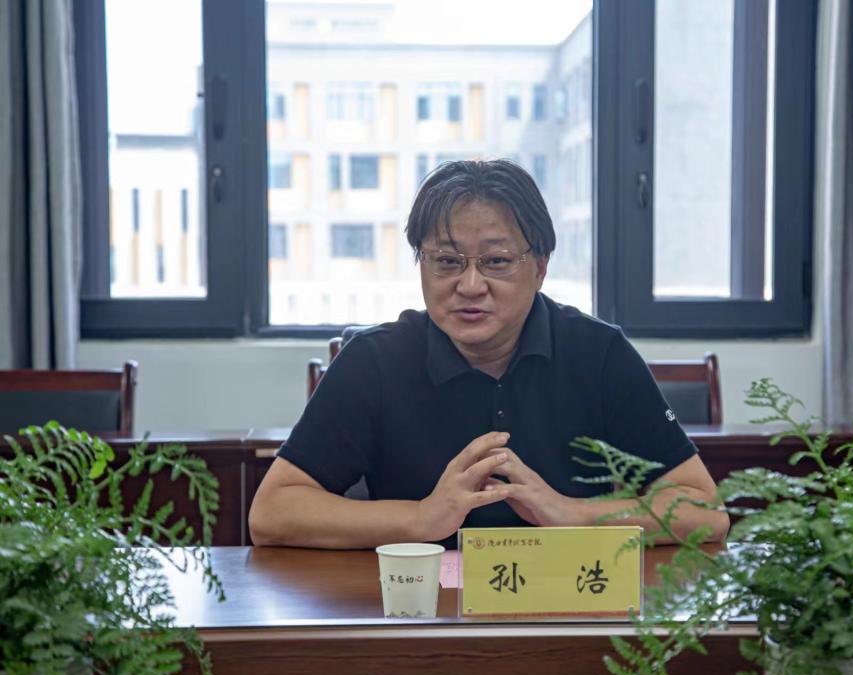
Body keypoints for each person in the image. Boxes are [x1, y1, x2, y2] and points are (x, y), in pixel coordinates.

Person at [249, 159, 729, 549]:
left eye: (496, 261)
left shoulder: (599, 354)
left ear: (540, 267)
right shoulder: (373, 361)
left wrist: (571, 513)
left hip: (569, 606)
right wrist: (421, 518)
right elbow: (271, 513)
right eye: (447, 261)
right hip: (420, 612)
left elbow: (705, 510)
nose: (470, 285)